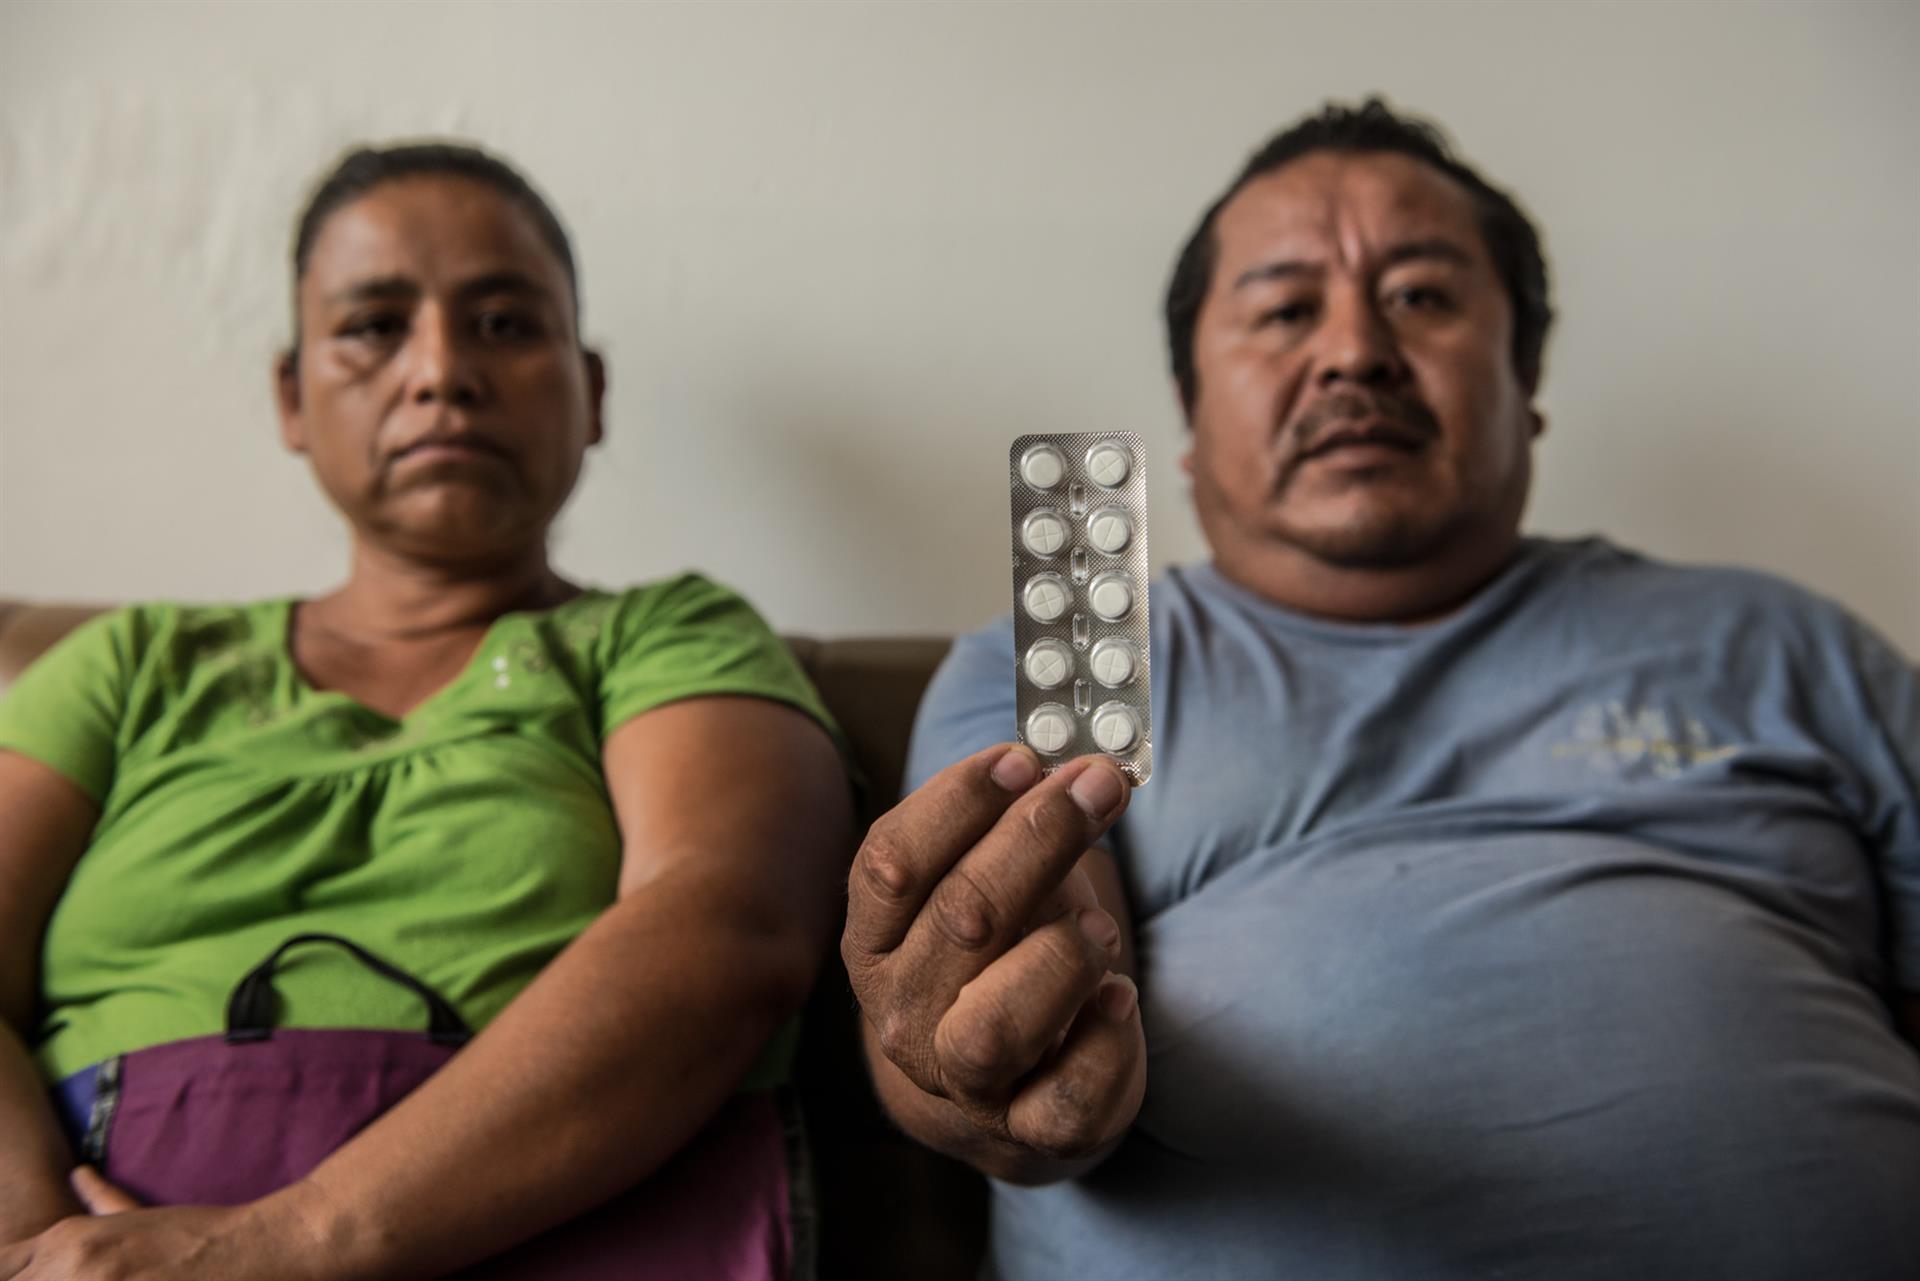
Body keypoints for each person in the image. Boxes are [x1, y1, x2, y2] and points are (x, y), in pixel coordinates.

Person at [843, 99, 1920, 1280]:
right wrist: (988, 1063)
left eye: (1421, 296)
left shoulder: (1785, 645)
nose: (1354, 352)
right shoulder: (1058, 664)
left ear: (1527, 379)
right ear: (1190, 416)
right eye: (1285, 310)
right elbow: (1006, 1011)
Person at [0, 143, 852, 1280]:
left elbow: (731, 927)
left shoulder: (671, 637)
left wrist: (280, 1245)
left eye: (504, 323)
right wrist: (36, 1248)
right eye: (373, 326)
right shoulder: (134, 664)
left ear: (591, 390)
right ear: (292, 396)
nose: (441, 371)